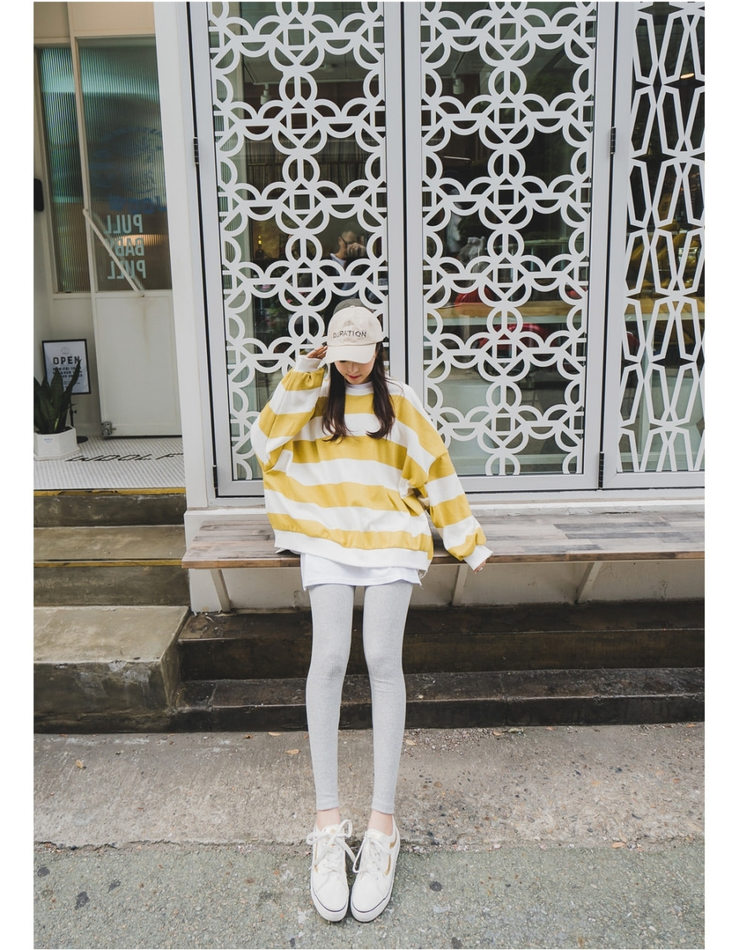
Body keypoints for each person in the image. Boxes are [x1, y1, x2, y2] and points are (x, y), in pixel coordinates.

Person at [250, 303, 492, 923]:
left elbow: (436, 468)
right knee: (329, 658)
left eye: (362, 354)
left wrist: (465, 539)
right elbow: (265, 443)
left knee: (383, 660)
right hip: (325, 533)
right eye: (343, 355)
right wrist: (303, 374)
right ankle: (327, 824)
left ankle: (383, 826)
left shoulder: (399, 401)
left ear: (379, 350)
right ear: (329, 351)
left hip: (390, 536)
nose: (353, 366)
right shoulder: (311, 396)